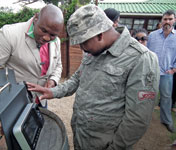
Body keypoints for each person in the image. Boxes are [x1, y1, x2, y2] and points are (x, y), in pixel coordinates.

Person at [27, 4, 160, 150]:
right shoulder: (94, 52)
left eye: (83, 43)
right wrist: (53, 92)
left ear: (100, 34)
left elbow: (137, 120)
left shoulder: (141, 59)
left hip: (106, 144)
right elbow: (77, 79)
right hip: (82, 134)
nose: (82, 48)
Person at [0, 4, 64, 132]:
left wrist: (53, 80)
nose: (47, 38)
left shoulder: (56, 42)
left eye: (52, 35)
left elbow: (58, 65)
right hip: (13, 105)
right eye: (43, 30)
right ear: (36, 18)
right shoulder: (9, 34)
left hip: (40, 103)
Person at [147, 9, 176, 133]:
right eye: (165, 19)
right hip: (151, 73)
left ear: (174, 20)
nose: (167, 21)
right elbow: (146, 52)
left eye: (170, 19)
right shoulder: (152, 36)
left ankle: (167, 121)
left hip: (166, 74)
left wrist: (174, 69)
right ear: (161, 20)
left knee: (166, 97)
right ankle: (142, 120)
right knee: (146, 97)